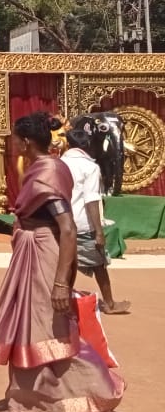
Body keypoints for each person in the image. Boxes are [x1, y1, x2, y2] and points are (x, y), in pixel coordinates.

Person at [0, 111, 124, 412]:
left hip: (44, 254)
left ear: (26, 142)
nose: (13, 145)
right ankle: (29, 398)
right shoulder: (49, 166)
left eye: (15, 140)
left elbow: (67, 228)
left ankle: (95, 391)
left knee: (45, 329)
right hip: (33, 252)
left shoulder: (48, 172)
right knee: (30, 326)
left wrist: (60, 282)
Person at [61, 125, 131, 315]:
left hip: (61, 222)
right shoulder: (90, 167)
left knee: (64, 264)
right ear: (89, 145)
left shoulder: (59, 163)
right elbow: (91, 199)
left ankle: (62, 301)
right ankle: (109, 303)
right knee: (99, 263)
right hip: (82, 224)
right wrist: (99, 231)